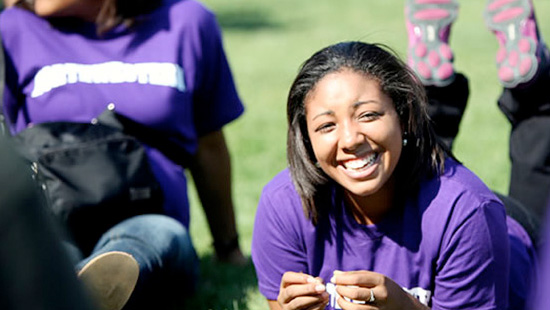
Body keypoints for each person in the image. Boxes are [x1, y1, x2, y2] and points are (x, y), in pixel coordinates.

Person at [251, 41, 536, 310]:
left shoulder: (469, 213)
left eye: (368, 115)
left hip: (515, 238)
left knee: (536, 167)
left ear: (403, 115)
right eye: (327, 126)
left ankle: (535, 86)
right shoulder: (283, 205)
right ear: (306, 139)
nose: (349, 139)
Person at [0, 0, 245, 308]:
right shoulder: (12, 30)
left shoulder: (186, 22)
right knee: (51, 250)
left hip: (149, 219)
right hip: (52, 222)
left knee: (149, 238)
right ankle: (77, 287)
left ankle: (78, 289)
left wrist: (228, 247)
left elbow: (209, 146)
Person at [405, 0, 550, 220]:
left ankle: (430, 98)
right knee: (530, 218)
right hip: (518, 234)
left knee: (421, 209)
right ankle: (430, 98)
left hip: (454, 233)